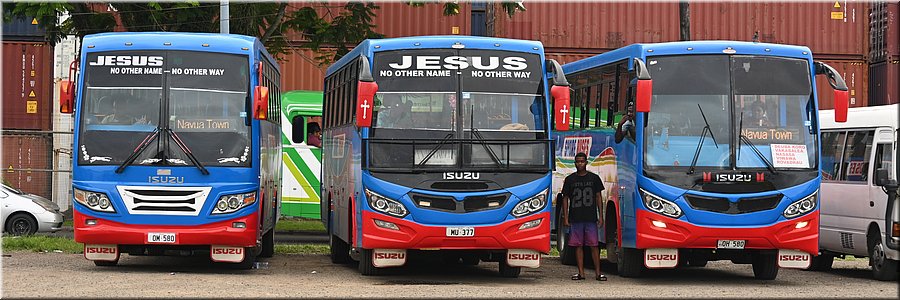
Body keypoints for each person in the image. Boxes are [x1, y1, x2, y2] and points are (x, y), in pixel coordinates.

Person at [561, 152, 606, 281]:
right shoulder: (570, 179)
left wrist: (600, 216)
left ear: (586, 162)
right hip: (575, 217)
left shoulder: (594, 178)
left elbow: (598, 197)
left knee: (594, 245)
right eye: (577, 162)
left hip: (591, 217)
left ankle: (598, 273)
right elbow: (565, 198)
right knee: (578, 246)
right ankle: (581, 273)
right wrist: (565, 217)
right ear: (575, 163)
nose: (580, 164)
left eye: (582, 161)